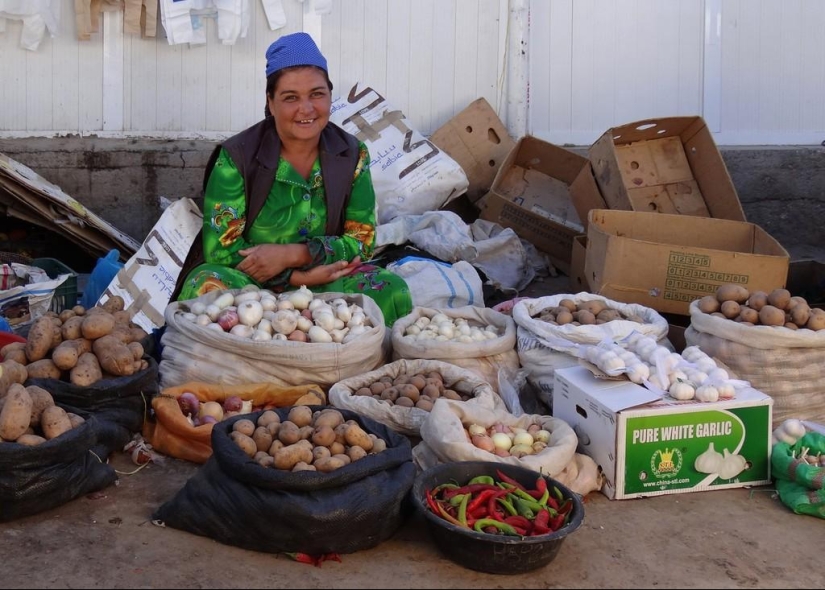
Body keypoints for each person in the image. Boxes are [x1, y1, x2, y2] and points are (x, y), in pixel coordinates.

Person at [172, 32, 412, 327]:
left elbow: (361, 242)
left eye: (317, 94)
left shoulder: (351, 155)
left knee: (391, 290)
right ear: (270, 103)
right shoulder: (237, 158)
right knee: (207, 285)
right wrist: (294, 277)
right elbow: (221, 249)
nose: (306, 109)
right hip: (252, 284)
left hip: (327, 279)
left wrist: (296, 255)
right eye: (290, 98)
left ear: (329, 95)